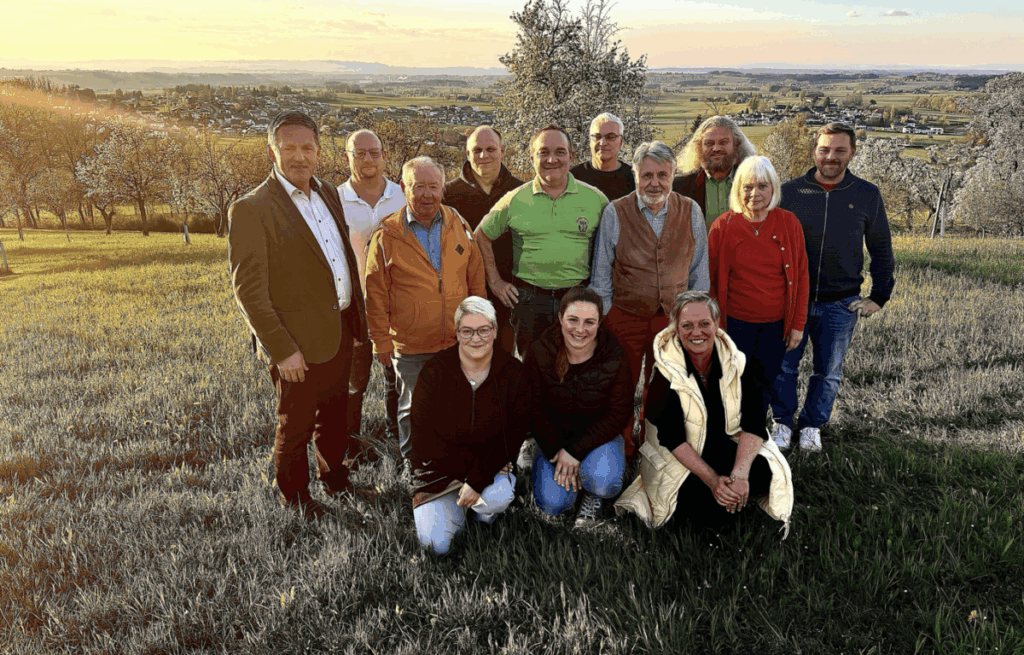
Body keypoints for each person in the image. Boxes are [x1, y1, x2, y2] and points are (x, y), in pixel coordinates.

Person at [227, 110, 367, 520]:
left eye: (307, 147)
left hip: (339, 329)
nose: (299, 156)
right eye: (289, 147)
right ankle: (296, 498)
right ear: (272, 151)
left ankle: (334, 477)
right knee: (296, 424)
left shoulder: (328, 192)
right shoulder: (251, 208)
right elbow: (249, 292)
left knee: (335, 415)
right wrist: (282, 350)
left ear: (319, 151)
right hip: (295, 343)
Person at [615, 291, 793, 533]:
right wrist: (712, 480)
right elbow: (672, 438)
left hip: (723, 446)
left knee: (766, 472)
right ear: (676, 328)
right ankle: (719, 503)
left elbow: (754, 422)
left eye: (704, 324)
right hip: (682, 457)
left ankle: (731, 495)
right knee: (708, 516)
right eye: (687, 325)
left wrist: (740, 475)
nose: (696, 333)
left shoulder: (737, 362)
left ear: (717, 324)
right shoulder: (664, 372)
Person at [770, 123, 895, 453]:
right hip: (791, 301)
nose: (831, 157)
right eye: (824, 149)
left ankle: (812, 425)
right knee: (783, 367)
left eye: (840, 150)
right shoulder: (789, 193)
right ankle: (782, 422)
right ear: (814, 151)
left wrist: (879, 296)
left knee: (828, 372)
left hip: (841, 302)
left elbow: (881, 247)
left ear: (852, 152)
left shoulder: (867, 194)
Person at [590, 140, 710, 458]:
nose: (654, 183)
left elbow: (699, 271)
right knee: (621, 385)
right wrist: (605, 319)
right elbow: (601, 275)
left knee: (664, 386)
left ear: (673, 174)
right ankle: (621, 448)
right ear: (635, 175)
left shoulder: (691, 211)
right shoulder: (615, 212)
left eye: (662, 175)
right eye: (646, 176)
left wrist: (696, 319)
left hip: (673, 318)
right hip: (625, 315)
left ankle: (654, 446)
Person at [363, 156, 487, 460]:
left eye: (434, 186)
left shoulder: (458, 224)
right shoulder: (387, 235)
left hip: (457, 340)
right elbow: (375, 294)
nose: (427, 194)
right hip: (411, 344)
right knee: (412, 407)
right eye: (419, 186)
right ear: (404, 188)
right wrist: (380, 340)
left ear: (443, 188)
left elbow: (475, 279)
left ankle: (450, 459)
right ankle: (415, 464)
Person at [409, 296, 531, 554]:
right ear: (457, 333)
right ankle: (457, 506)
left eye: (483, 330)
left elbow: (513, 435)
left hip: (486, 470)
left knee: (497, 495)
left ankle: (482, 514)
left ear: (495, 331)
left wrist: (477, 479)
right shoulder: (435, 372)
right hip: (440, 473)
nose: (476, 338)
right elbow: (422, 439)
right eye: (467, 331)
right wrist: (469, 474)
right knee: (437, 546)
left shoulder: (513, 373)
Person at [476, 124, 608, 357]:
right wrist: (495, 282)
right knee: (533, 370)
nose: (551, 159)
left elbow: (612, 246)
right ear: (532, 158)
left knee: (577, 366)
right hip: (530, 303)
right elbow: (481, 236)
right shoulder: (515, 199)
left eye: (559, 152)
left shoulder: (596, 199)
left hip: (578, 299)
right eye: (543, 152)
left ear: (571, 156)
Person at [707, 156, 809, 417]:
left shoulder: (789, 223)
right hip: (734, 323)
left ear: (773, 188)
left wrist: (797, 325)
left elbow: (801, 277)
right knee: (732, 381)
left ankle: (755, 432)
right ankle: (728, 431)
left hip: (775, 325)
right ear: (737, 189)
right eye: (747, 187)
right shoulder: (723, 226)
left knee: (763, 383)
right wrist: (713, 326)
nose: (755, 194)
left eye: (762, 186)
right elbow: (710, 281)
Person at [524, 286, 632, 526]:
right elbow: (531, 407)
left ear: (599, 323)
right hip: (554, 437)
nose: (580, 329)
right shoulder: (540, 350)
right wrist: (556, 450)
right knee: (553, 504)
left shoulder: (615, 355)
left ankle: (592, 494)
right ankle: (565, 477)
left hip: (599, 436)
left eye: (589, 322)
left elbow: (619, 413)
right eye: (573, 320)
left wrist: (575, 452)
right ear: (560, 317)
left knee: (604, 481)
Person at [338, 129, 405, 458]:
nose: (368, 159)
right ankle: (348, 445)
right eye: (359, 153)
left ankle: (397, 441)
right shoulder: (334, 200)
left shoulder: (403, 195)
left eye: (374, 152)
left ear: (384, 156)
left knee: (397, 376)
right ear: (347, 157)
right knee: (354, 382)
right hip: (354, 305)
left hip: (398, 304)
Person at [443, 126, 525, 353]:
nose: (483, 155)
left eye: (491, 149)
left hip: (508, 296)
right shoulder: (448, 195)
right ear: (467, 153)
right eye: (477, 150)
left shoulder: (520, 192)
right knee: (466, 360)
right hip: (463, 295)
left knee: (502, 360)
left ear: (503, 151)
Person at [673, 116, 757, 232]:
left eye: (723, 142)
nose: (716, 148)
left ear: (737, 144)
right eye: (709, 143)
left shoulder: (756, 184)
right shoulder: (678, 188)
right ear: (698, 147)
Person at [570, 113, 636, 201]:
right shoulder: (573, 178)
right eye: (597, 137)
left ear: (620, 141)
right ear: (590, 141)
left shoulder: (634, 180)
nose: (603, 143)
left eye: (610, 137)